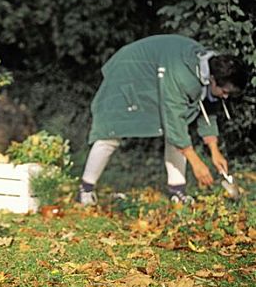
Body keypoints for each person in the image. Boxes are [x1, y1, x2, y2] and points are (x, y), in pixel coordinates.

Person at [79, 34, 248, 205]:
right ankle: (85, 189)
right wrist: (196, 163)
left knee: (178, 133)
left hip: (158, 74)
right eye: (225, 92)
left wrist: (214, 151)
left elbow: (206, 110)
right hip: (129, 72)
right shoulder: (182, 74)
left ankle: (178, 191)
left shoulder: (209, 70)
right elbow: (174, 120)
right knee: (110, 132)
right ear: (212, 80)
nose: (225, 97)